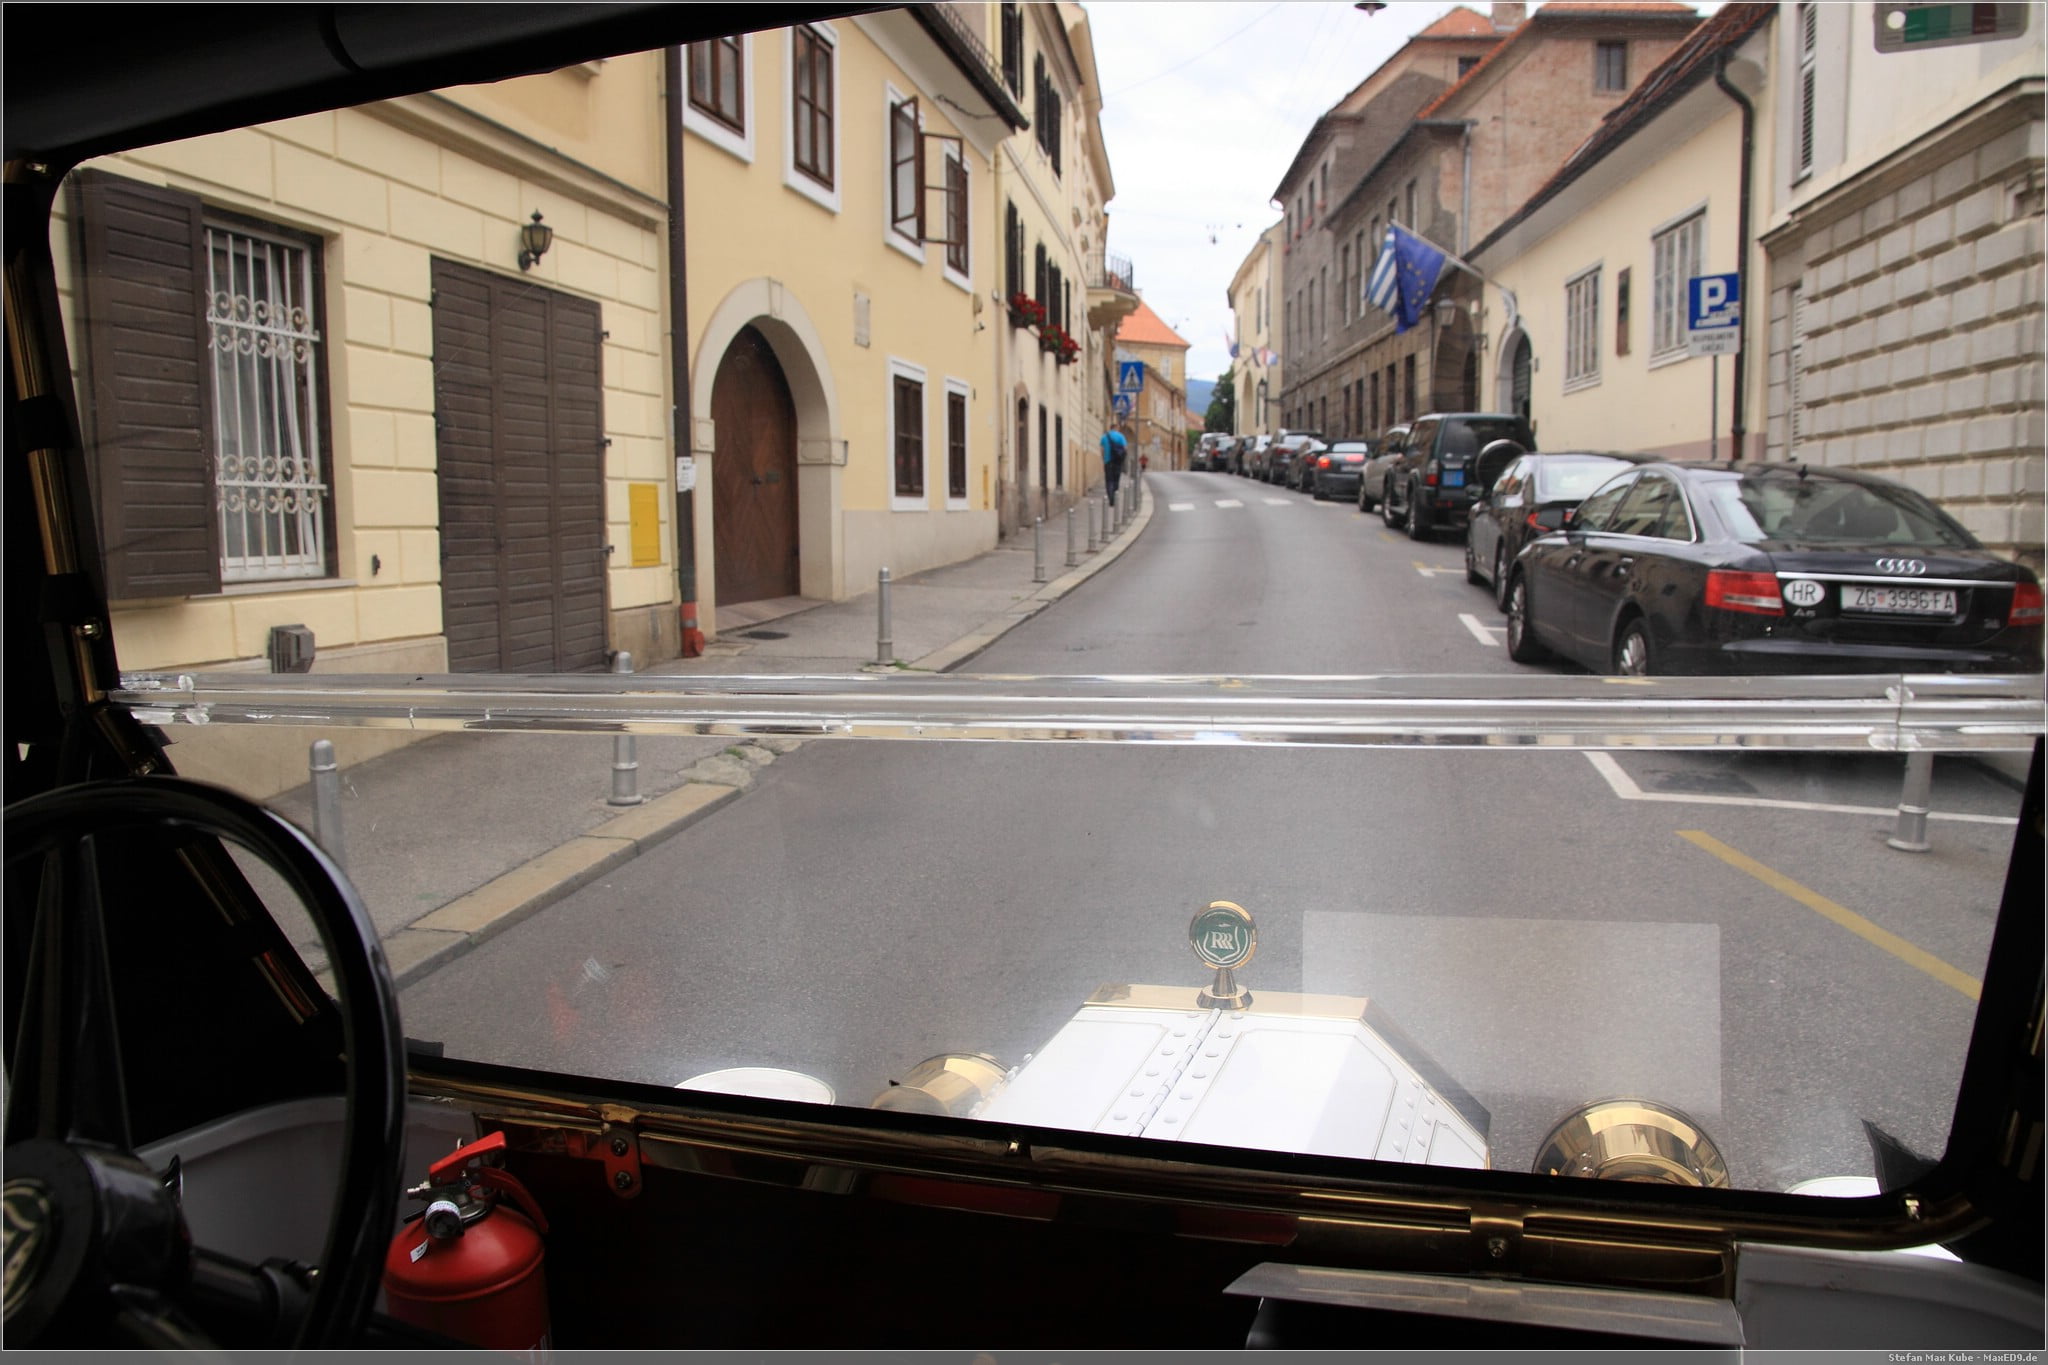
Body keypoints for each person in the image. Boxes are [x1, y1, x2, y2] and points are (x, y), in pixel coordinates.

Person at [1101, 423, 1129, 507]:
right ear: (1117, 428)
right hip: (1117, 462)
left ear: (1110, 428)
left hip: (1108, 461)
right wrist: (1122, 457)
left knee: (1109, 480)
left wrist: (1104, 459)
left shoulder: (1104, 437)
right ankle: (1115, 496)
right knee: (1116, 480)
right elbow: (1125, 448)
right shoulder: (1120, 436)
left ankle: (1110, 498)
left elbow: (1102, 450)